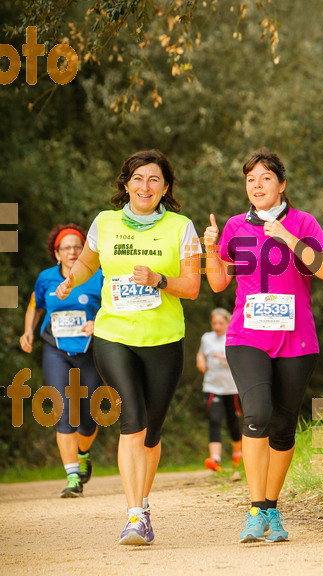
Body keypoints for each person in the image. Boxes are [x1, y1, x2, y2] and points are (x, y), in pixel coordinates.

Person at [56, 149, 201, 545]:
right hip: (113, 335)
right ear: (125, 184)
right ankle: (134, 516)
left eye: (154, 179)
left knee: (151, 432)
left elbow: (192, 287)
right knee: (131, 420)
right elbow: (88, 263)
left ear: (165, 188)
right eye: (138, 178)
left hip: (164, 340)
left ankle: (144, 502)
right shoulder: (105, 223)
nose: (145, 186)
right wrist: (72, 279)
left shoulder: (181, 227)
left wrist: (158, 279)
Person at [203, 149, 323, 543]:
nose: (257, 186)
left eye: (265, 178)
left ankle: (271, 508)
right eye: (250, 180)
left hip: (297, 342)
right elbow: (216, 284)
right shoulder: (234, 226)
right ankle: (255, 510)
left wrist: (286, 236)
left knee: (282, 428)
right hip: (247, 337)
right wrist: (212, 248)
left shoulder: (303, 222)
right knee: (256, 414)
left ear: (282, 185)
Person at [19, 224, 103, 498]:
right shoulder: (46, 278)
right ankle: (72, 477)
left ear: (84, 251)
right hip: (55, 348)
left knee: (89, 417)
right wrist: (28, 330)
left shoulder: (98, 276)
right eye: (65, 248)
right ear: (56, 254)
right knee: (63, 411)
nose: (72, 252)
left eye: (77, 247)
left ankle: (83, 452)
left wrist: (97, 321)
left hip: (89, 349)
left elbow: (113, 306)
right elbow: (35, 304)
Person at [197, 308, 242, 472]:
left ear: (228, 323)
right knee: (214, 420)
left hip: (232, 388)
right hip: (211, 386)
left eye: (220, 323)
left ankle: (238, 454)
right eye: (214, 323)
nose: (217, 326)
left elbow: (240, 361)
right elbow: (201, 354)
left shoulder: (233, 337)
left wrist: (222, 357)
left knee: (233, 422)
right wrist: (200, 361)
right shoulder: (206, 338)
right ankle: (215, 458)